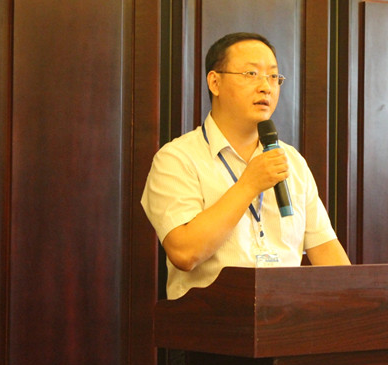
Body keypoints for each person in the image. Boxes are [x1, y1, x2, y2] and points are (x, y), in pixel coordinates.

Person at [141, 32, 350, 301]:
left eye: (273, 76)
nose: (266, 87)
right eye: (251, 74)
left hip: (286, 319)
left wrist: (357, 301)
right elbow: (184, 253)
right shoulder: (177, 159)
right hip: (212, 321)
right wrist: (249, 185)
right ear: (215, 82)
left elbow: (326, 249)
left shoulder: (292, 161)